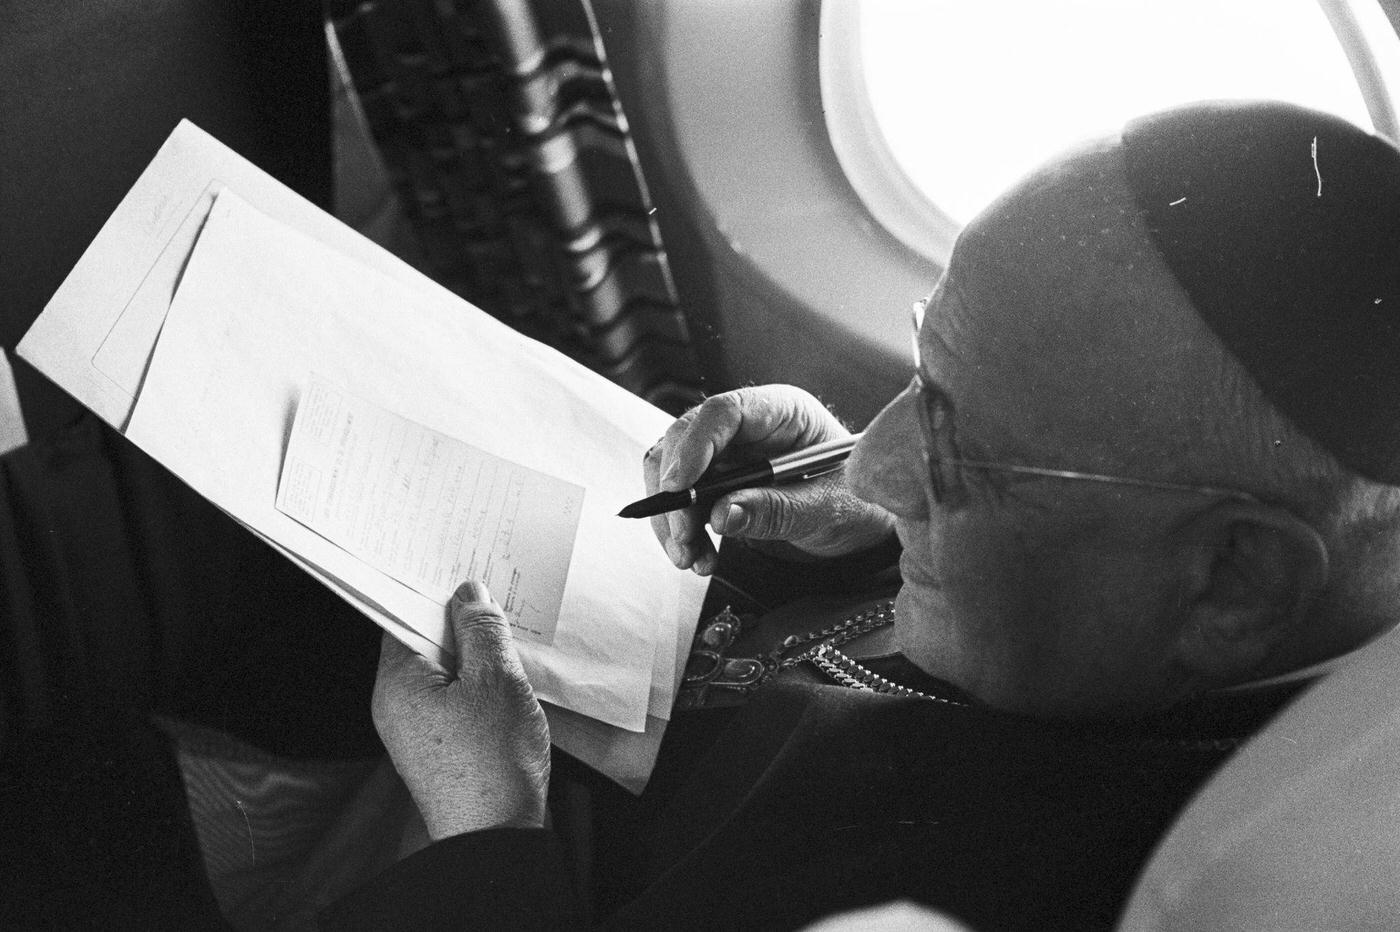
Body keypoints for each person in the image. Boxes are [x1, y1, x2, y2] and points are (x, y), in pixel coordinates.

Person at [4, 99, 1399, 930]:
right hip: (558, 691)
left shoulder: (1101, 882)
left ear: (1233, 585)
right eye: (917, 370)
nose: (887, 453)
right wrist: (847, 468)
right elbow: (1054, 463)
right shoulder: (1148, 570)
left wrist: (483, 822)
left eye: (956, 446)